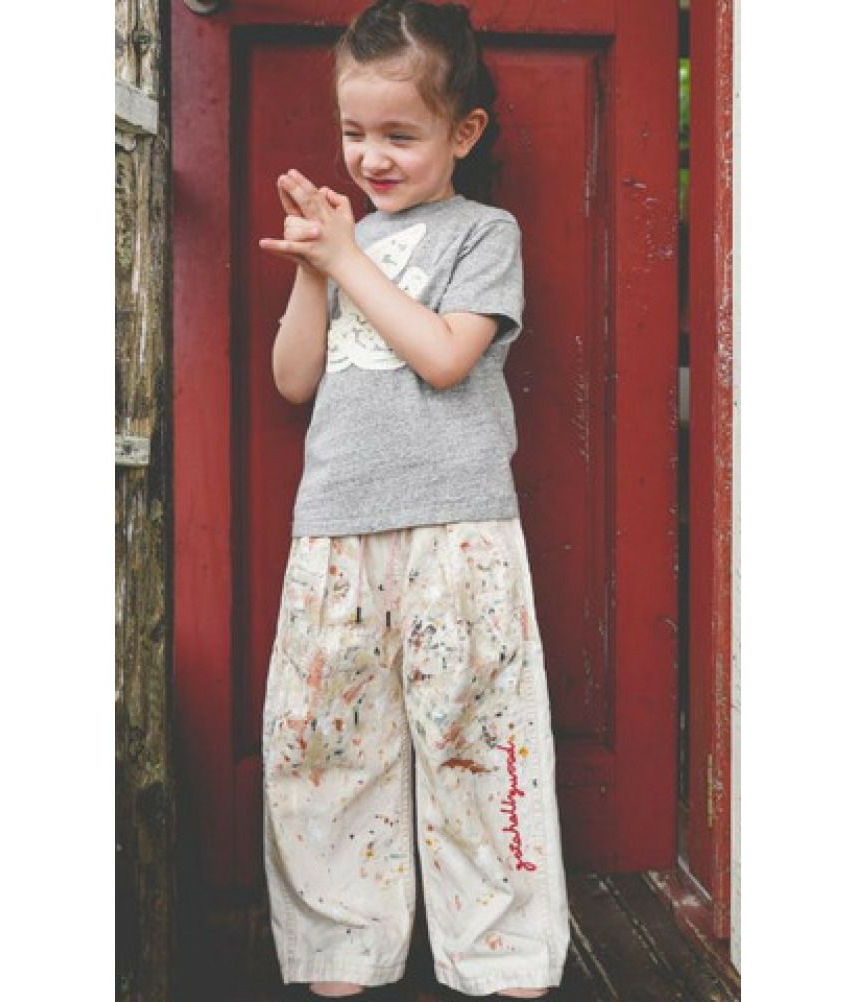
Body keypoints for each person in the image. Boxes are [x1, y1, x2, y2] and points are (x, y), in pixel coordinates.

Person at [257, 2, 570, 997]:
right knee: (326, 739)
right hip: (337, 528)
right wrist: (315, 269)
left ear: (462, 132)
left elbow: (444, 357)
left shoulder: (483, 233)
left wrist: (347, 258)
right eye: (355, 132)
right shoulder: (343, 243)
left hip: (457, 526)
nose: (372, 157)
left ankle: (503, 950)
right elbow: (294, 381)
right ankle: (342, 942)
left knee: (479, 732)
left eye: (400, 134)